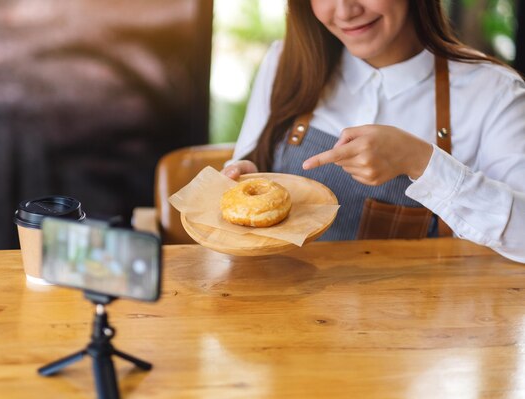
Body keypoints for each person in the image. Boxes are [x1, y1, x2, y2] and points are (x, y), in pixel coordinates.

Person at [221, 0, 525, 263]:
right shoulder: (285, 62)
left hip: (418, 323)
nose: (345, 11)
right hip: (279, 311)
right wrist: (245, 173)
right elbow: (248, 168)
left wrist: (420, 162)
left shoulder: (494, 92)